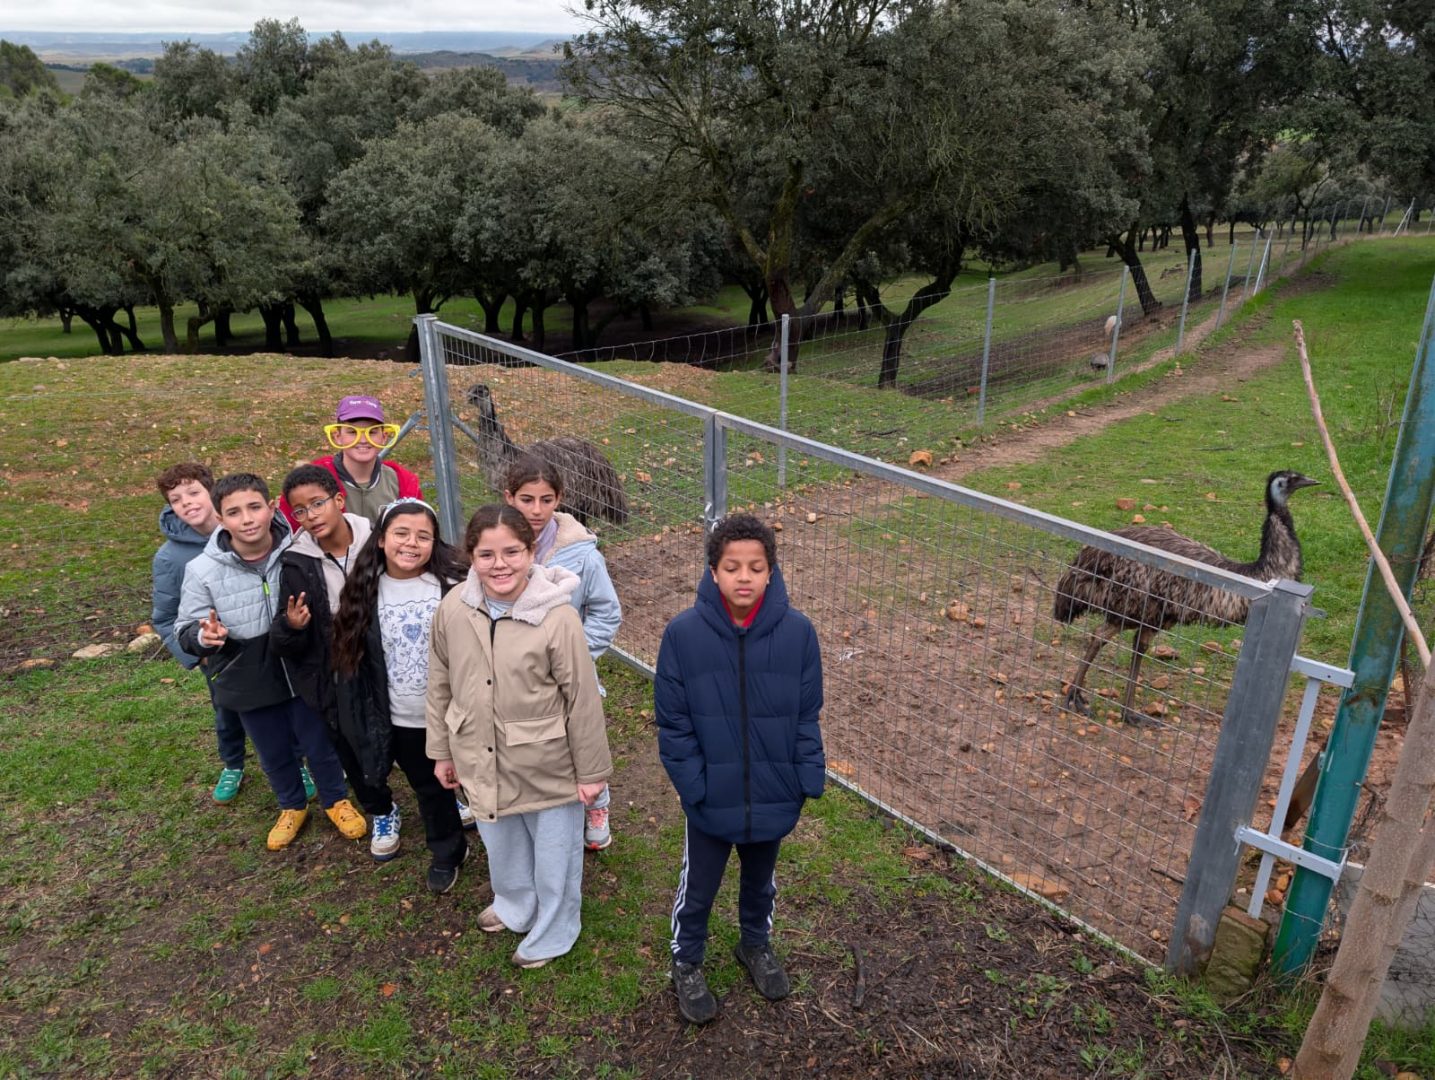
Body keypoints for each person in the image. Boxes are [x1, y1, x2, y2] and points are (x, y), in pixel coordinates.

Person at [654, 513, 825, 1025]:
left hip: (775, 790)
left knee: (760, 881)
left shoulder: (798, 634)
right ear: (713, 572)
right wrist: (694, 785)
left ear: (771, 572)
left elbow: (807, 713)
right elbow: (674, 721)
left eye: (756, 567)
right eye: (732, 567)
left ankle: (755, 943)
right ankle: (687, 959)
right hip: (711, 794)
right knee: (699, 886)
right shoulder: (683, 635)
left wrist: (804, 777)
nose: (744, 577)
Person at [427, 505, 612, 967]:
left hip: (547, 763)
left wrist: (591, 772)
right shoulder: (453, 608)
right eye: (486, 555)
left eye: (512, 552)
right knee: (502, 842)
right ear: (470, 556)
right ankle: (515, 904)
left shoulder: (558, 618)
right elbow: (440, 681)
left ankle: (554, 929)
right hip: (478, 754)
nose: (500, 565)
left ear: (531, 552)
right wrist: (442, 750)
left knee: (554, 854)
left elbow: (581, 698)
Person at [176, 472, 369, 851]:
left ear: (271, 508)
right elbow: (185, 626)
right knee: (273, 750)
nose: (247, 519)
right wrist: (203, 637)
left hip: (303, 669)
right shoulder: (202, 570)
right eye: (234, 512)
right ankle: (292, 805)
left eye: (254, 508)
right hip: (245, 677)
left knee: (320, 742)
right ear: (220, 518)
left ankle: (336, 800)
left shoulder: (298, 552)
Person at [328, 498, 473, 893]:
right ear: (381, 539)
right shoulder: (364, 591)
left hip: (461, 712)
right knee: (429, 788)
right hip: (406, 717)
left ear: (435, 542)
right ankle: (448, 851)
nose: (412, 543)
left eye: (423, 536)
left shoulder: (454, 586)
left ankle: (507, 847)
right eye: (401, 534)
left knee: (481, 779)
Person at [269, 465, 394, 848]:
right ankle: (381, 808)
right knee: (351, 742)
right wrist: (292, 626)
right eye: (300, 511)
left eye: (317, 503)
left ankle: (441, 795)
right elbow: (284, 638)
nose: (310, 515)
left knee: (409, 731)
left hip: (389, 657)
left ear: (339, 500)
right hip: (337, 671)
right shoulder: (296, 562)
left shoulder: (378, 540)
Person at [503, 454, 622, 851]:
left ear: (560, 498)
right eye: (526, 499)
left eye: (546, 500)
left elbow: (606, 611)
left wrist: (577, 655)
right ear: (509, 497)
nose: (536, 510)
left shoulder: (583, 554)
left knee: (581, 738)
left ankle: (597, 805)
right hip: (519, 674)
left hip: (570, 673)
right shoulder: (498, 549)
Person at [278, 394, 422, 529]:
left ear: (384, 437)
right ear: (337, 436)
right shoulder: (309, 480)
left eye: (372, 432)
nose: (363, 440)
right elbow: (288, 531)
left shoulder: (402, 482)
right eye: (352, 432)